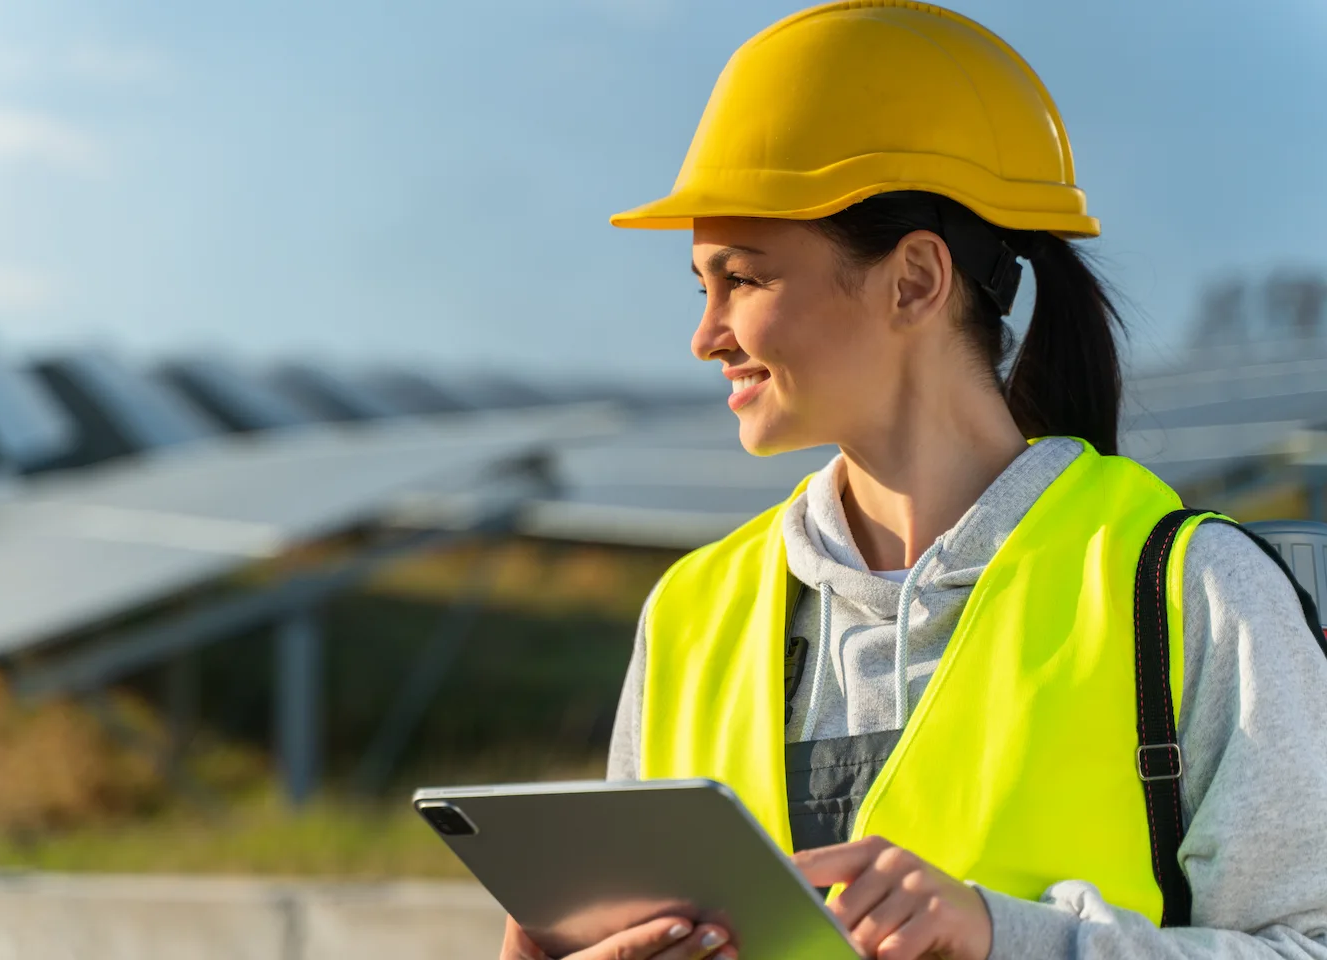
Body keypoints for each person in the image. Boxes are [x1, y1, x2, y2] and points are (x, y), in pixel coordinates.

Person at [502, 2, 1327, 958]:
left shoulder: (1192, 597)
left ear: (915, 280)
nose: (707, 334)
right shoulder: (691, 615)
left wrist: (1002, 939)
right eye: (703, 286)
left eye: (746, 279)